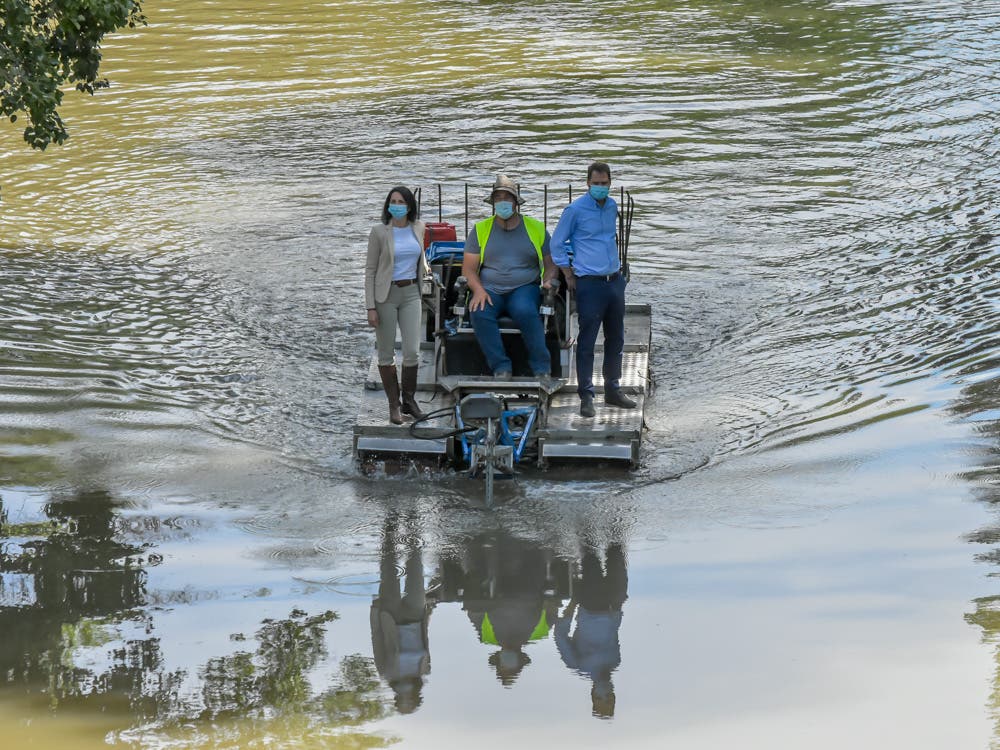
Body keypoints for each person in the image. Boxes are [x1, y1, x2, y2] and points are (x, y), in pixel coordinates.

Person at [551, 162, 636, 418]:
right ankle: (586, 395)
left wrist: (619, 274)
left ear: (610, 183)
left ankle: (612, 389)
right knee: (587, 340)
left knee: (616, 337)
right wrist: (568, 273)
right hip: (588, 281)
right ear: (587, 183)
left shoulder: (611, 206)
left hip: (613, 280)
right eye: (596, 183)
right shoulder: (574, 210)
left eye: (604, 183)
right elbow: (557, 244)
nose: (601, 187)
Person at [462, 175, 559, 380]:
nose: (503, 202)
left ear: (516, 202)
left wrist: (548, 280)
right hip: (489, 289)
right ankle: (501, 366)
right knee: (479, 312)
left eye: (507, 198)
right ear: (493, 203)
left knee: (525, 311)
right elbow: (468, 269)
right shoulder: (480, 229)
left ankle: (541, 368)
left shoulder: (537, 228)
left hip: (524, 287)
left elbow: (551, 265)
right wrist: (478, 290)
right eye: (498, 198)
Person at [365, 186, 430, 424]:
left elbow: (420, 259)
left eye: (401, 201)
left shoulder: (419, 228)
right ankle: (393, 405)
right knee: (386, 353)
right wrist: (370, 306)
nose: (396, 205)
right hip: (386, 295)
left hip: (411, 292)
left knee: (412, 351)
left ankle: (409, 401)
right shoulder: (379, 232)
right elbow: (370, 271)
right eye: (392, 201)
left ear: (410, 205)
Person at [554, 543, 628, 719]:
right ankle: (615, 518)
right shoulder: (615, 661)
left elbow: (560, 634)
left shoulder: (577, 664)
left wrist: (573, 604)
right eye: (610, 697)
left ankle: (585, 520)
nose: (607, 693)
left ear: (593, 693)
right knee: (616, 549)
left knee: (590, 552)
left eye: (602, 697)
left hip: (590, 602)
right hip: (615, 601)